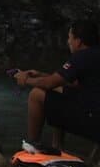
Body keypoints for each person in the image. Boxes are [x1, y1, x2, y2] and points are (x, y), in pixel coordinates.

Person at [14, 20, 100, 154]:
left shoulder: (81, 57)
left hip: (92, 121)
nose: (68, 41)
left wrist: (25, 79)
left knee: (36, 94)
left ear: (78, 41)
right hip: (94, 113)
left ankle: (31, 146)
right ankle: (57, 147)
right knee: (59, 91)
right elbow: (69, 83)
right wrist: (40, 74)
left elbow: (49, 83)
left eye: (69, 37)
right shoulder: (95, 54)